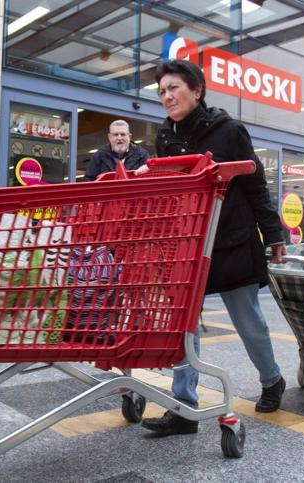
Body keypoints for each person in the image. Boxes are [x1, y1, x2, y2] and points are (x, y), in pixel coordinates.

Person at [139, 59, 288, 436]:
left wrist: (274, 236)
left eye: (173, 88)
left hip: (231, 242)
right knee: (184, 328)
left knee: (249, 322)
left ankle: (272, 380)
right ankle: (184, 406)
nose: (167, 96)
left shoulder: (230, 131)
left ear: (197, 91)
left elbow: (255, 186)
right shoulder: (165, 137)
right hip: (189, 244)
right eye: (161, 92)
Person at [83, 120, 149, 181]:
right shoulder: (99, 156)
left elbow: (149, 180)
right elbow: (88, 180)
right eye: (115, 134)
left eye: (123, 134)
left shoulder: (142, 154)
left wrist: (147, 171)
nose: (119, 138)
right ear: (109, 137)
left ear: (129, 137)